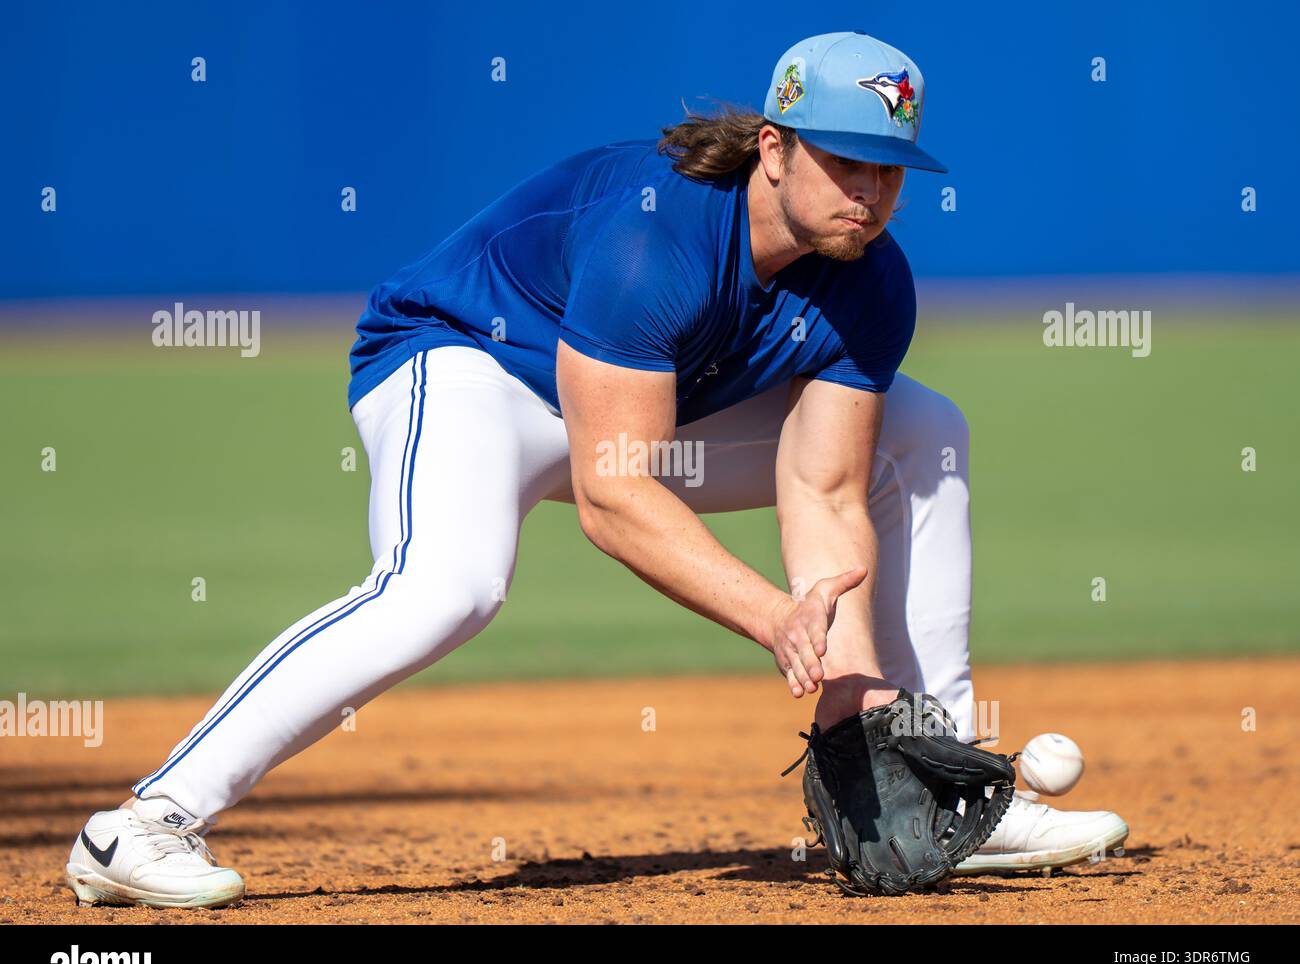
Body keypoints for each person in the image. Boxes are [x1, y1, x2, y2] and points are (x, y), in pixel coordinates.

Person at [66, 30, 1126, 909]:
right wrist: (772, 616)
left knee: (921, 430)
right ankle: (141, 825)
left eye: (888, 167)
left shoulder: (870, 281)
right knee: (449, 585)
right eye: (844, 161)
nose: (870, 191)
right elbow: (616, 494)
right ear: (773, 149)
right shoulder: (652, 241)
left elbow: (826, 488)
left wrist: (851, 687)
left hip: (645, 410)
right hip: (472, 370)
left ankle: (949, 786)